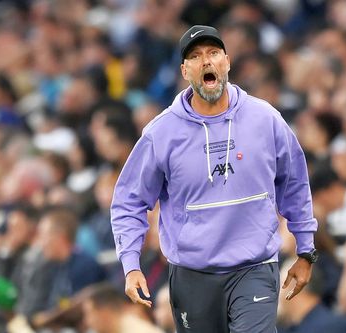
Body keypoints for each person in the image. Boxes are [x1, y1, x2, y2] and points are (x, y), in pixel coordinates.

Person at [111, 25, 318, 333]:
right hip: (193, 273)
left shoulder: (265, 119)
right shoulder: (161, 133)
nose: (205, 61)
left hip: (254, 266)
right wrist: (130, 264)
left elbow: (296, 184)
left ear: (227, 62)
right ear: (184, 70)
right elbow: (128, 202)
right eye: (194, 57)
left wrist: (305, 249)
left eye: (213, 53)